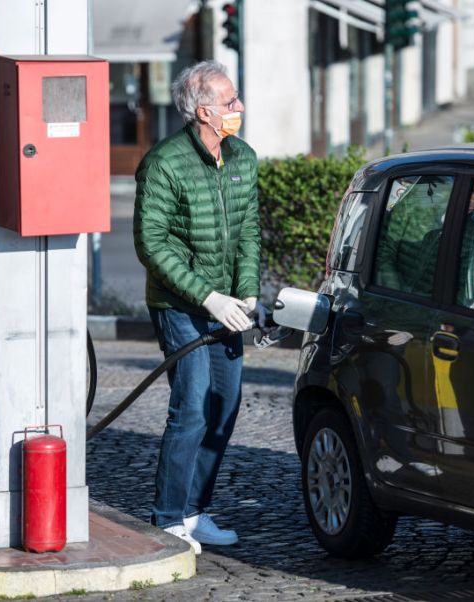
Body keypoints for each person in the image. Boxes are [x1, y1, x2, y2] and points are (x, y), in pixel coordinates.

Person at [133, 61, 261, 554]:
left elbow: (248, 231)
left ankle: (194, 511)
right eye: (231, 102)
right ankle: (167, 520)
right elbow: (150, 242)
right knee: (191, 405)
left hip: (227, 306)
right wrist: (206, 295)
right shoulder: (164, 163)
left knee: (223, 408)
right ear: (204, 111)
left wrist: (245, 292)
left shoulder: (243, 158)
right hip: (179, 305)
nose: (240, 108)